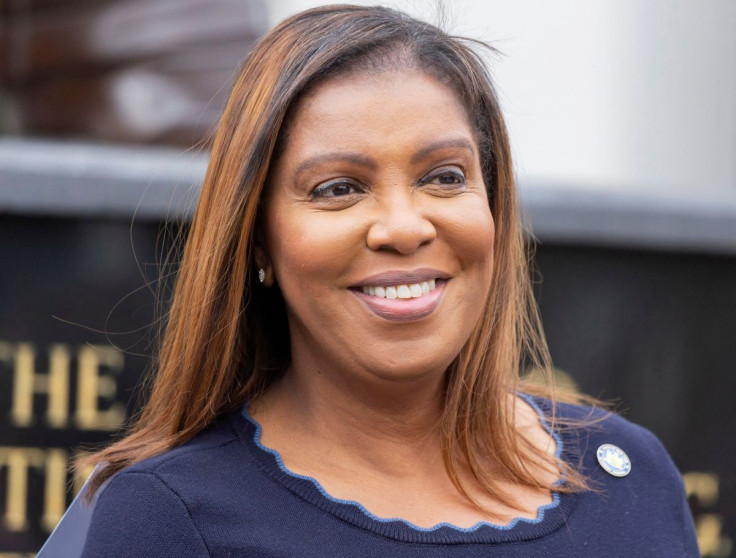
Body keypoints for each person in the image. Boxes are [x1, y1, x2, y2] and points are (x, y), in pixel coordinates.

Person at [74, 5, 698, 556]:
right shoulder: (170, 519)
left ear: (494, 206)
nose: (403, 226)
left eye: (445, 176)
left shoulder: (632, 473)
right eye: (338, 189)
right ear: (258, 237)